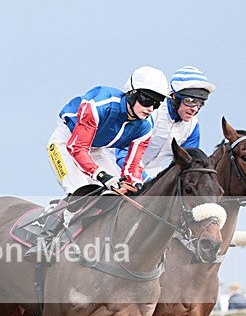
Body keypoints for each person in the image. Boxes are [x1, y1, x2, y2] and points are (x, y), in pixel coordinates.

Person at [39, 66, 169, 238]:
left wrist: (137, 184)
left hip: (97, 150)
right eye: (147, 101)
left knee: (123, 193)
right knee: (82, 191)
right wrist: (100, 175)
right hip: (67, 143)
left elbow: (133, 166)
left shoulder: (145, 126)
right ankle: (44, 235)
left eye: (157, 103)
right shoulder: (100, 103)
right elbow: (77, 148)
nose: (151, 108)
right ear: (132, 93)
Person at [115, 66, 215, 180]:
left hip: (152, 174)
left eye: (200, 103)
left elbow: (188, 166)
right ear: (174, 97)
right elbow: (123, 153)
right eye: (190, 101)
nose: (195, 109)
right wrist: (143, 180)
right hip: (115, 168)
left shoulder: (192, 127)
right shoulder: (150, 113)